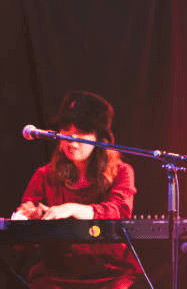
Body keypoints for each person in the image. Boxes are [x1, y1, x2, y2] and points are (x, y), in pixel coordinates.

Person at [15, 90, 142, 289]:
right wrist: (29, 218)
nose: (72, 139)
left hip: (110, 272)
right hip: (57, 274)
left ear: (100, 138)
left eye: (82, 131)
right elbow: (22, 239)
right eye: (66, 129)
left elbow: (119, 213)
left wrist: (72, 208)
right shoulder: (44, 174)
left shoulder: (122, 171)